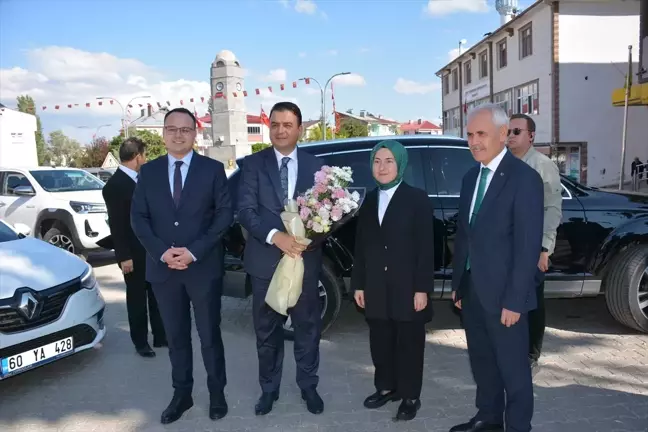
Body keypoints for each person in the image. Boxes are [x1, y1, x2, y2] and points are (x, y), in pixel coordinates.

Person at [130, 107, 233, 424]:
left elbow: (223, 217)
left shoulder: (212, 170)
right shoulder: (148, 173)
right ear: (163, 134)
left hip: (202, 268)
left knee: (209, 335)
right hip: (164, 271)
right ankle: (182, 395)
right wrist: (162, 252)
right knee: (176, 337)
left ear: (195, 133)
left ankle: (217, 394)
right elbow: (139, 218)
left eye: (185, 129)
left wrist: (193, 251)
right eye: (172, 129)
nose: (178, 134)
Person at [449, 104, 543, 432]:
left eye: (481, 134)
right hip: (473, 290)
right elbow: (465, 236)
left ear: (503, 135)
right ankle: (488, 418)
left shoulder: (524, 179)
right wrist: (459, 285)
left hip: (506, 296)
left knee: (513, 370)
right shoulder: (470, 176)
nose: (473, 141)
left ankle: (517, 426)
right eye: (470, 135)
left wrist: (515, 300)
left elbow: (527, 246)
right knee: (483, 362)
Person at [237, 101, 325, 416]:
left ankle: (308, 386)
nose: (280, 130)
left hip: (304, 262)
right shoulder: (252, 165)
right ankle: (269, 390)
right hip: (265, 263)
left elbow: (327, 217)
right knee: (267, 332)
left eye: (287, 124)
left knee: (307, 329)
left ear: (299, 129)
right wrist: (278, 237)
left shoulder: (318, 167)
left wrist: (307, 241)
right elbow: (245, 211)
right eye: (275, 124)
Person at [351, 140, 435, 421]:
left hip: (408, 286)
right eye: (377, 161)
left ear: (400, 164)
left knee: (409, 344)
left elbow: (426, 248)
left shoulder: (417, 198)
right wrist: (359, 283)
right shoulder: (370, 200)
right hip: (375, 285)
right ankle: (387, 387)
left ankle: (410, 395)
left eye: (389, 161)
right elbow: (361, 246)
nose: (382, 167)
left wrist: (422, 288)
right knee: (381, 341)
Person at [507, 113, 562, 374]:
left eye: (516, 131)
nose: (510, 136)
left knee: (532, 302)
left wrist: (544, 248)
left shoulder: (542, 166)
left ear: (531, 136)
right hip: (506, 247)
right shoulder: (501, 164)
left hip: (532, 248)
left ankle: (532, 354)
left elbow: (552, 208)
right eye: (507, 131)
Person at [102, 137, 166, 358]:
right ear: (138, 157)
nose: (145, 159)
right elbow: (117, 225)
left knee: (156, 294)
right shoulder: (115, 186)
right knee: (137, 299)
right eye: (144, 155)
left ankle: (160, 336)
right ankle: (140, 342)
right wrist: (124, 257)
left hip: (152, 250)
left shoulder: (142, 179)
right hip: (133, 253)